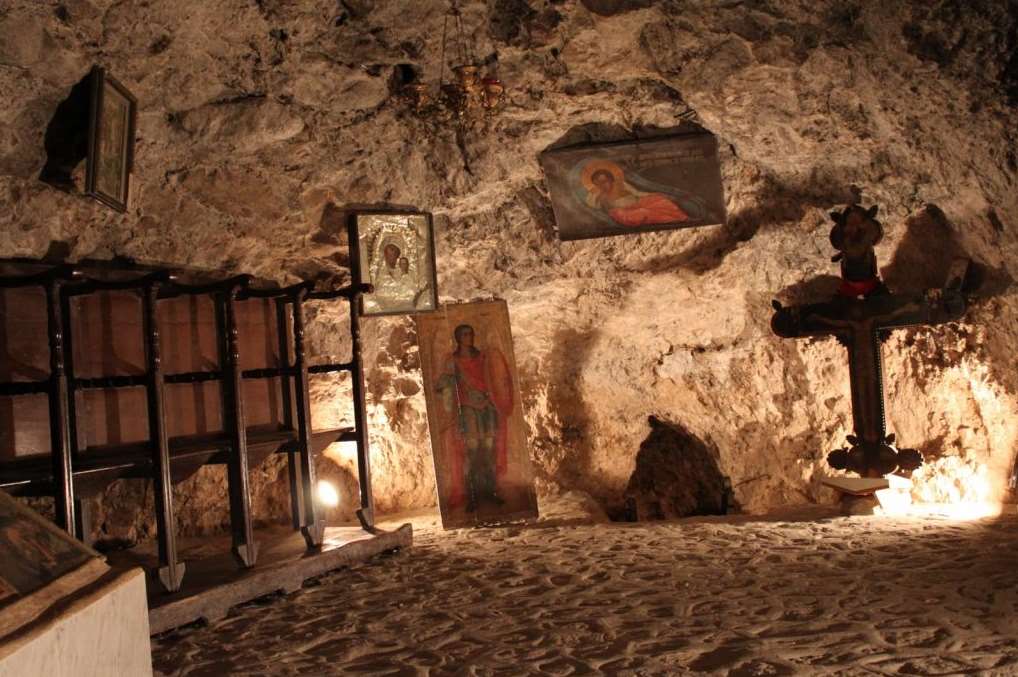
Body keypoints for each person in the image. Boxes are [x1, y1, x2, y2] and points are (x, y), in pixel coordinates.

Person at [435, 324, 514, 513]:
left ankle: (490, 491)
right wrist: (445, 382)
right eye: (464, 334)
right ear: (458, 338)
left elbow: (496, 379)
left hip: (487, 406)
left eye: (470, 333)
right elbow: (444, 384)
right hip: (468, 408)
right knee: (472, 451)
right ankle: (472, 495)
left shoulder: (483, 358)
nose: (468, 337)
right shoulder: (453, 360)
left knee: (488, 449)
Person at [583, 161, 690, 227]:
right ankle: (675, 222)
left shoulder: (622, 184)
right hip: (623, 212)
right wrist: (598, 195)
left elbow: (637, 193)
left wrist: (655, 194)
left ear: (611, 179)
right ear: (595, 184)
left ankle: (683, 219)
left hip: (638, 203)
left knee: (659, 200)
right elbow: (592, 206)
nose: (603, 184)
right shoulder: (596, 194)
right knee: (644, 212)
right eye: (599, 182)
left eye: (605, 180)